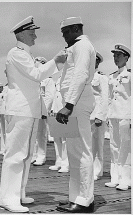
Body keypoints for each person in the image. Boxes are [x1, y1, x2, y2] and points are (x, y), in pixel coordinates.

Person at [0, 15, 67, 213]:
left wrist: (56, 64)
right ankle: (7, 198)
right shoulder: (17, 53)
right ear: (21, 34)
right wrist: (56, 60)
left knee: (26, 155)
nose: (35, 36)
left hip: (29, 110)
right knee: (15, 154)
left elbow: (40, 74)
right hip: (21, 110)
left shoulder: (25, 55)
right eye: (32, 32)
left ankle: (18, 194)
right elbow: (37, 75)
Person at [56, 16, 96, 213]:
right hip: (74, 103)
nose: (63, 37)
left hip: (77, 103)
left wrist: (69, 104)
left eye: (65, 32)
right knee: (74, 152)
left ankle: (84, 200)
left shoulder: (82, 46)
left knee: (82, 151)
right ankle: (76, 197)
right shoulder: (76, 46)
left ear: (75, 29)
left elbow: (80, 74)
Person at [105, 44, 131, 191]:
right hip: (114, 115)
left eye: (118, 56)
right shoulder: (112, 76)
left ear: (126, 58)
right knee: (114, 146)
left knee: (126, 148)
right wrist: (108, 115)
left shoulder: (130, 75)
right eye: (114, 56)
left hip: (125, 116)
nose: (115, 58)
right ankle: (115, 178)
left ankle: (126, 179)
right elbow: (110, 98)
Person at [32, 57, 56, 166]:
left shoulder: (48, 80)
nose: (35, 64)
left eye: (36, 62)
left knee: (41, 134)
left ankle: (41, 156)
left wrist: (44, 111)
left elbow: (50, 96)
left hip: (41, 110)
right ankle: (34, 155)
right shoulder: (36, 79)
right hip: (34, 110)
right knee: (34, 134)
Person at [90, 52, 109, 181]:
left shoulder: (101, 78)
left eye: (94, 61)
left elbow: (105, 97)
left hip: (96, 115)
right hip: (86, 115)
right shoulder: (85, 77)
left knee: (97, 144)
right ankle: (89, 169)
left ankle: (97, 171)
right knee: (87, 145)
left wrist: (100, 116)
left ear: (97, 63)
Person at [49, 77, 69, 173]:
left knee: (65, 139)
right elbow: (55, 95)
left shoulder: (70, 77)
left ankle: (65, 164)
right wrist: (52, 109)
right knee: (56, 138)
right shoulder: (58, 79)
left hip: (64, 111)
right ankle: (59, 161)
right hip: (56, 111)